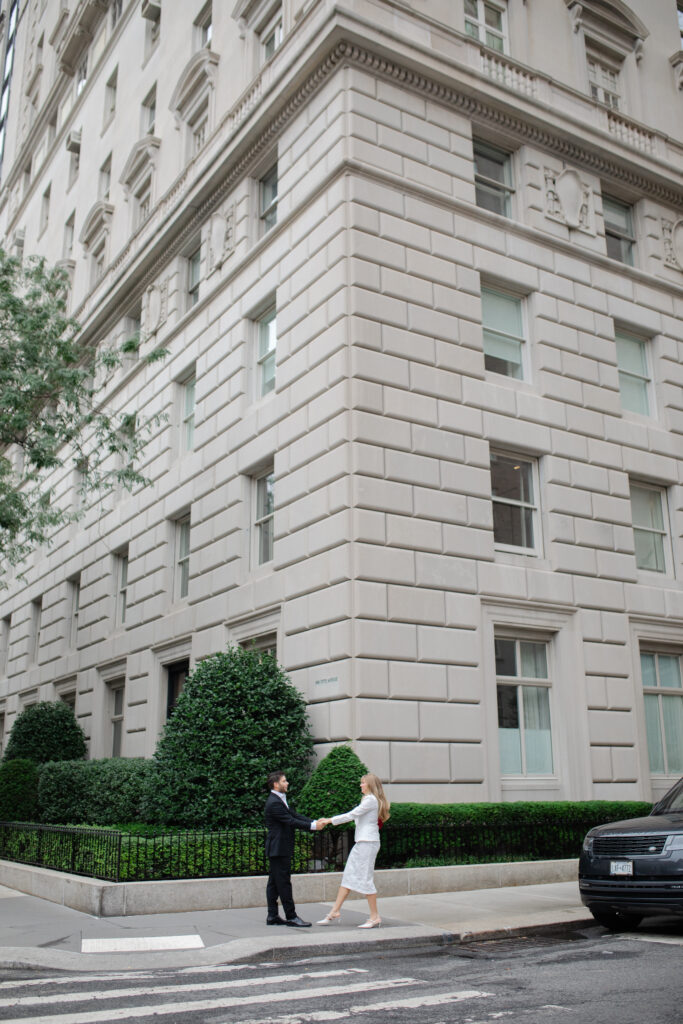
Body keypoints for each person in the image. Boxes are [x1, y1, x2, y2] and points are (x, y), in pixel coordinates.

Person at [316, 773, 390, 929]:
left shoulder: (370, 800)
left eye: (363, 783)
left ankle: (374, 917)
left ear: (370, 785)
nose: (360, 785)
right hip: (363, 842)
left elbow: (352, 815)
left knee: (365, 879)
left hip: (368, 843)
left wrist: (329, 820)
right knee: (349, 875)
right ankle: (334, 912)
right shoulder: (368, 800)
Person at [264, 769, 323, 927]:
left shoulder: (278, 799)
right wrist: (312, 826)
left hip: (278, 848)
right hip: (279, 848)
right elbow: (290, 821)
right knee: (283, 883)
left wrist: (314, 822)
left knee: (274, 883)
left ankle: (272, 916)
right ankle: (291, 917)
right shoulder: (274, 802)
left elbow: (294, 815)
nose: (287, 783)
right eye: (284, 781)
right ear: (276, 784)